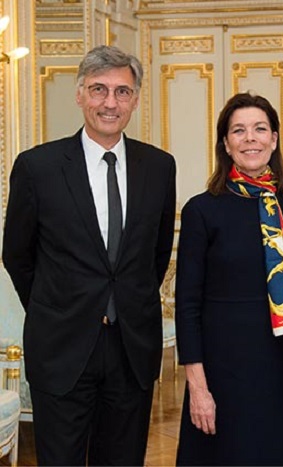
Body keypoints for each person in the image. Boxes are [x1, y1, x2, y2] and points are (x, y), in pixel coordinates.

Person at [2, 45, 176, 465]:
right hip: (61, 349)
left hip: (131, 349)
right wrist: (57, 306)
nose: (110, 102)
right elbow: (17, 255)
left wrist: (122, 303)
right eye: (99, 89)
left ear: (135, 99)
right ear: (79, 94)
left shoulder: (159, 167)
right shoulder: (37, 167)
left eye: (122, 91)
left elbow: (154, 255)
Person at [175, 92, 283, 466]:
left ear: (274, 139)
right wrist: (198, 389)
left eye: (259, 129)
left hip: (281, 369)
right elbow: (187, 304)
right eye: (238, 130)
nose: (250, 138)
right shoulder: (201, 210)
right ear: (226, 143)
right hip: (222, 374)